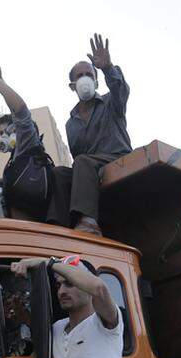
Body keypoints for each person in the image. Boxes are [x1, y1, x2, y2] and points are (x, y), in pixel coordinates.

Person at [0, 51, 68, 225]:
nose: (5, 136)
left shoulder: (28, 142)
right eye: (1, 133)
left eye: (8, 131)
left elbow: (20, 110)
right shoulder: (14, 161)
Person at [64, 34, 132, 235]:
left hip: (118, 158)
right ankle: (60, 227)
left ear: (96, 81)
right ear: (72, 86)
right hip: (90, 167)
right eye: (79, 76)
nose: (84, 78)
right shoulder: (71, 123)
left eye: (89, 74)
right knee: (60, 174)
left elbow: (121, 88)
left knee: (83, 162)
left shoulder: (112, 102)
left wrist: (107, 67)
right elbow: (77, 157)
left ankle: (89, 223)